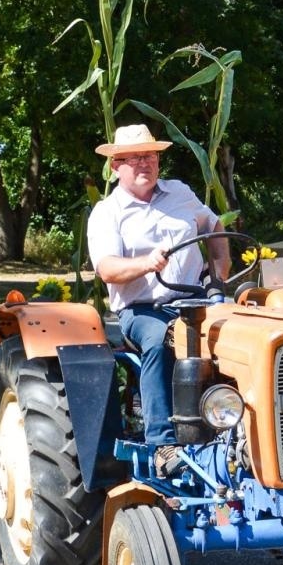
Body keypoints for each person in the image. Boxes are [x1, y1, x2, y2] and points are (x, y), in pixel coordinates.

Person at [86, 124, 228, 475]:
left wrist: (219, 272)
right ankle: (164, 444)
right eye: (134, 158)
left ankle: (231, 426)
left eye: (149, 156)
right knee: (161, 340)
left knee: (238, 333)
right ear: (116, 165)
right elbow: (106, 268)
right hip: (143, 310)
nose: (144, 164)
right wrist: (145, 263)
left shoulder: (180, 192)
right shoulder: (107, 212)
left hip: (195, 301)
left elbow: (214, 226)